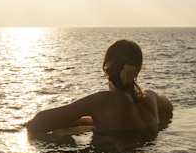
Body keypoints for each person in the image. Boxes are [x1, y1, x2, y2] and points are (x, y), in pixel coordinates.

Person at [26, 39, 173, 135]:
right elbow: (169, 107)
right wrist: (89, 120)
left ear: (106, 68)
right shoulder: (150, 98)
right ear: (138, 69)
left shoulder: (101, 102)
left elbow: (37, 124)